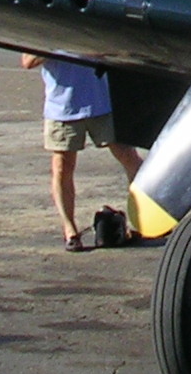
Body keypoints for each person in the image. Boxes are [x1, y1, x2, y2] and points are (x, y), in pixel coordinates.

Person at [22, 53, 142, 251]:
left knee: (128, 156)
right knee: (62, 167)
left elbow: (114, 49)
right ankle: (70, 230)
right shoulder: (48, 28)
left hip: (102, 102)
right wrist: (58, 42)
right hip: (62, 107)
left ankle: (143, 220)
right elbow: (28, 61)